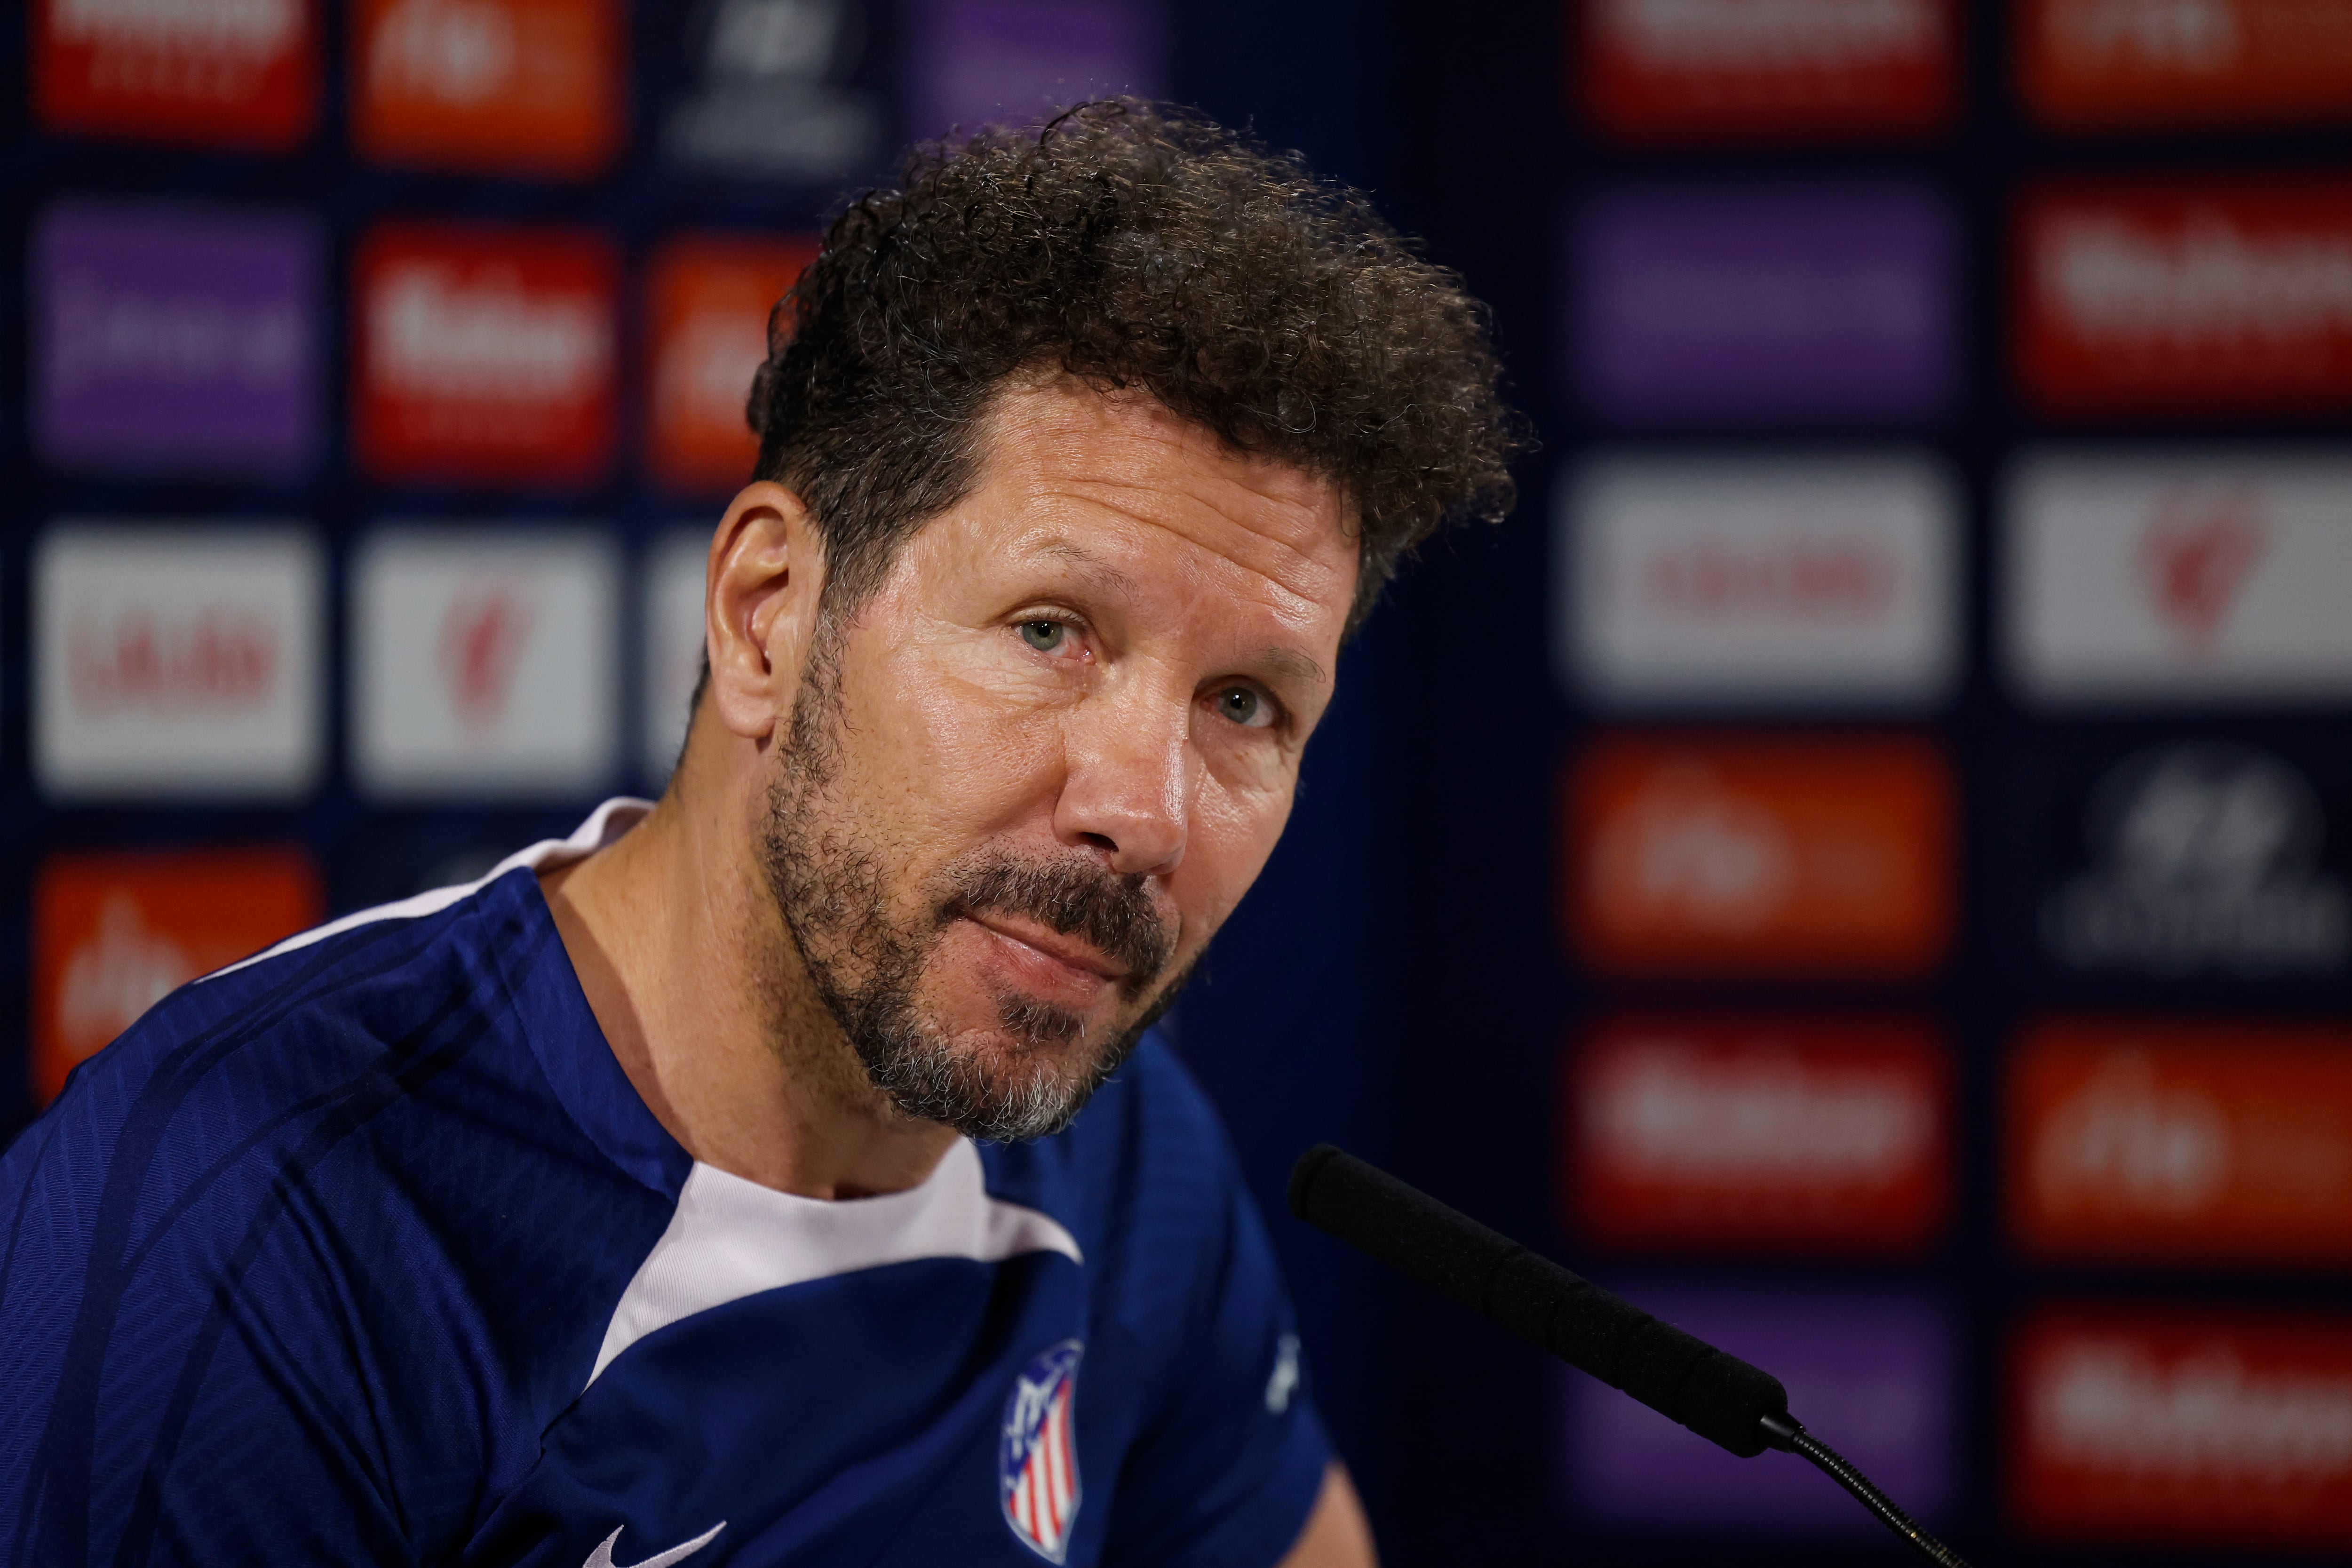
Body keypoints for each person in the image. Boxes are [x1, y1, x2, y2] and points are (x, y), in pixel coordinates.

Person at [0, 101, 1516, 1567]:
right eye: (1053, 629)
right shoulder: (256, 1221)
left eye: (1246, 704)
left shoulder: (1127, 1159)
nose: (1143, 811)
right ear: (767, 619)